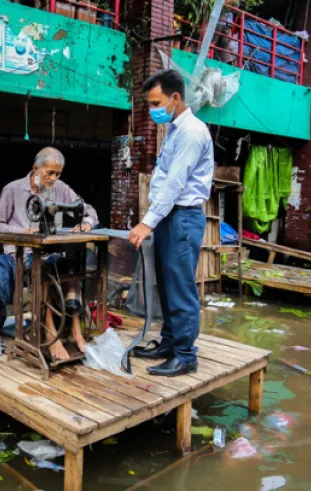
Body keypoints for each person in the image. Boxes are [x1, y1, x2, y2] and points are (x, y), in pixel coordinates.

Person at [128, 69, 213, 377]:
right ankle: (169, 343)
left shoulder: (191, 132)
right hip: (169, 216)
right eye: (150, 104)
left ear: (175, 98)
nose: (152, 110)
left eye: (156, 103)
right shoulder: (176, 130)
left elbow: (175, 184)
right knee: (165, 285)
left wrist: (147, 223)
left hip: (182, 217)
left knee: (180, 287)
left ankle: (186, 355)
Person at [0, 147, 99, 361]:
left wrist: (86, 222)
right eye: (50, 173)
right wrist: (24, 232)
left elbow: (88, 209)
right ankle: (50, 332)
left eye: (58, 174)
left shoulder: (60, 188)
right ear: (35, 169)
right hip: (20, 254)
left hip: (50, 252)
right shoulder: (13, 190)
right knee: (45, 270)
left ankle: (75, 327)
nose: (54, 178)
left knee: (73, 268)